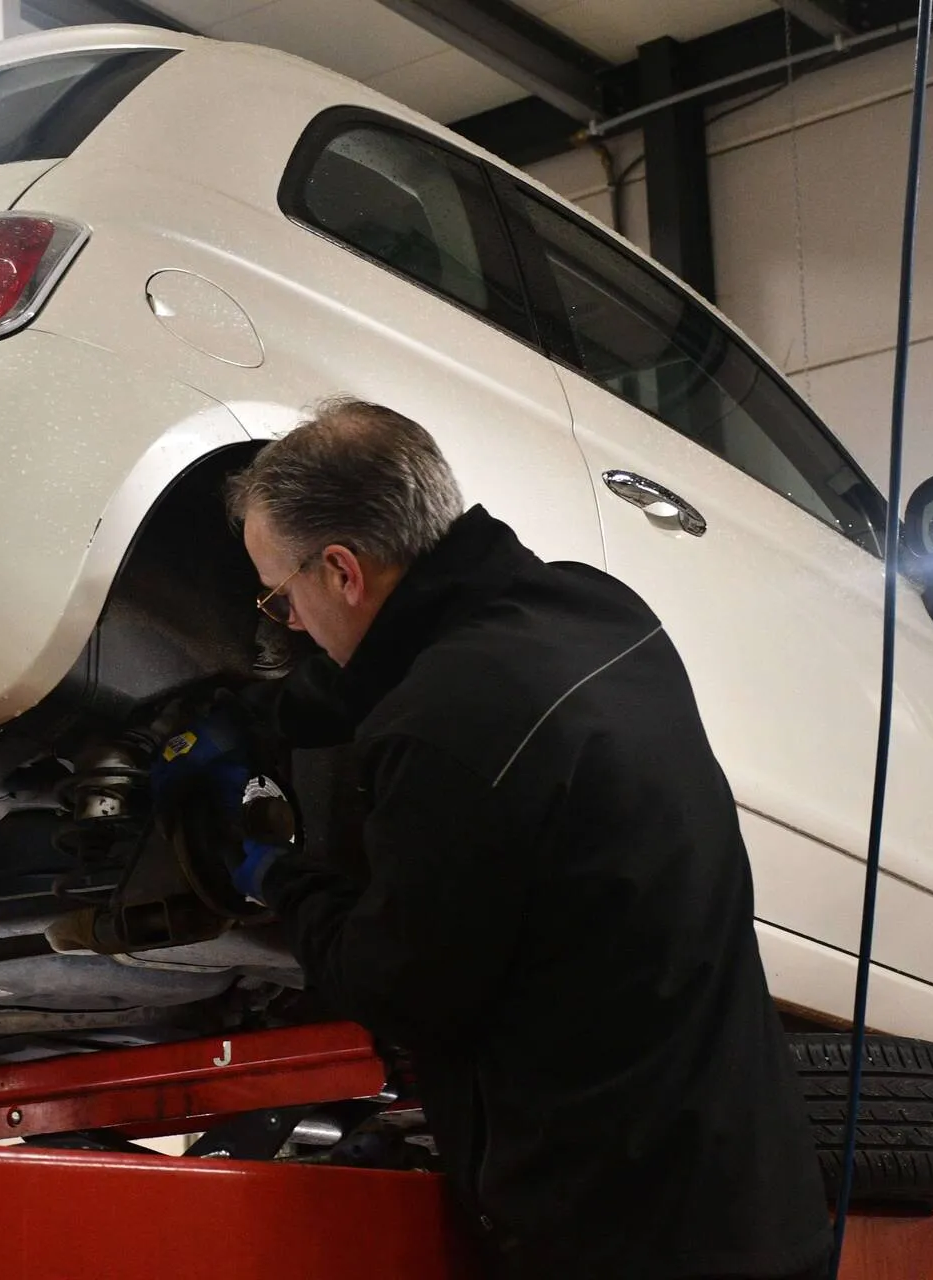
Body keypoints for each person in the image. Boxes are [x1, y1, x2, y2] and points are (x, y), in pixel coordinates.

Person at [209, 398, 831, 1279]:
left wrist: (276, 877)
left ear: (343, 571)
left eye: (283, 595)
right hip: (755, 1192)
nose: (290, 623)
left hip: (623, 1241)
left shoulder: (441, 734)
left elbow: (400, 987)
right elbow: (425, 677)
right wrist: (264, 713)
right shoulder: (597, 609)